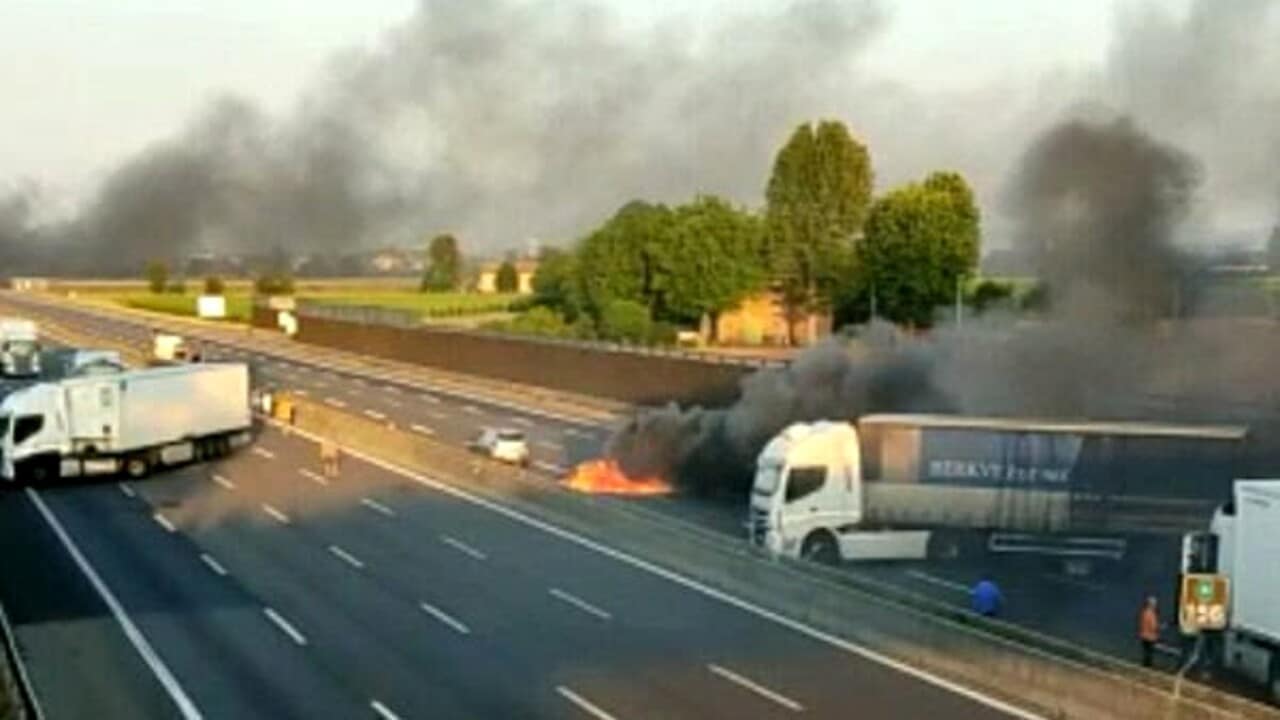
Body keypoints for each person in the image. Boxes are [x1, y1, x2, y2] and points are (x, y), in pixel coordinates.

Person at [1139, 595, 1161, 668]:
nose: (1155, 606)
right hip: (1150, 637)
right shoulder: (1152, 614)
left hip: (1143, 635)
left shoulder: (1144, 612)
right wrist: (1160, 627)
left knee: (1146, 652)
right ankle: (1148, 666)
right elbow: (1153, 626)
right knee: (1149, 653)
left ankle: (1145, 664)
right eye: (1154, 604)